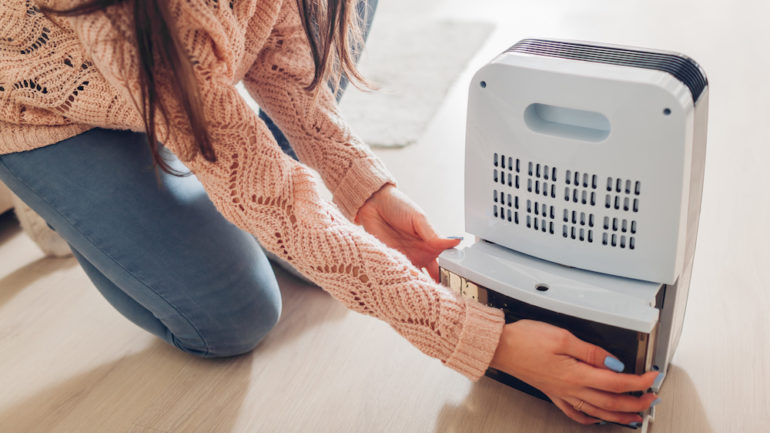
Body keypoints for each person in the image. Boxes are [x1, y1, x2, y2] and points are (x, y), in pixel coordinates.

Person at [0, 0, 660, 426]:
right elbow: (270, 195)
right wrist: (481, 340)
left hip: (173, 72)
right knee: (233, 318)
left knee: (294, 223)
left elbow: (278, 57)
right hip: (40, 103)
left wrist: (363, 190)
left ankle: (191, 148)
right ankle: (80, 190)